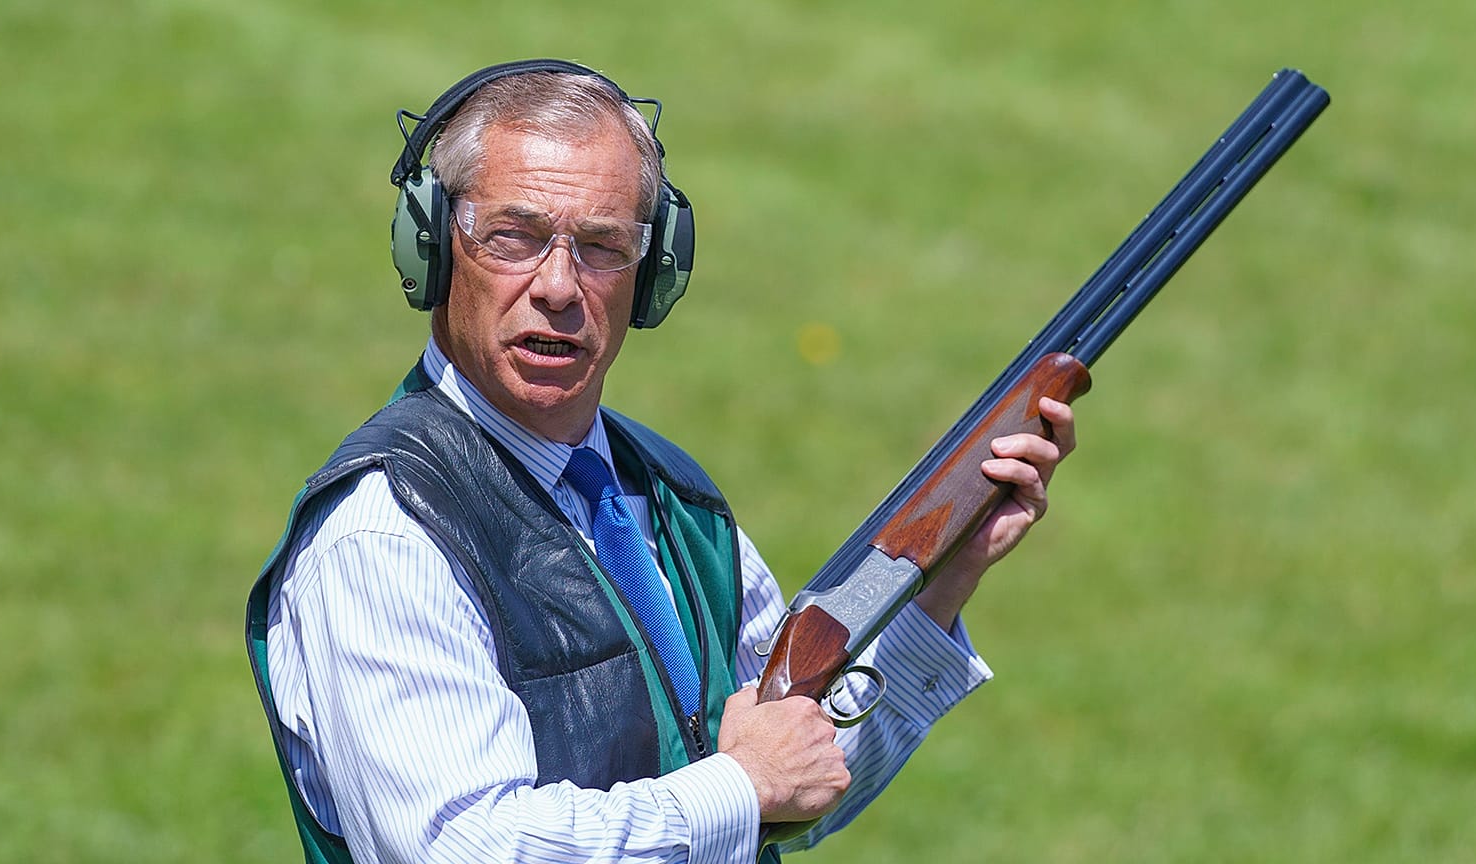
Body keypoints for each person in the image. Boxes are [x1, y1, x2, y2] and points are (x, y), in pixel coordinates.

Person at [246, 59, 1077, 864]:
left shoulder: (674, 502)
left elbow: (801, 776)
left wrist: (946, 578)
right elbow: (470, 846)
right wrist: (739, 788)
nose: (560, 287)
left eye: (604, 246)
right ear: (430, 246)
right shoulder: (387, 533)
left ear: (653, 273)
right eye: (514, 237)